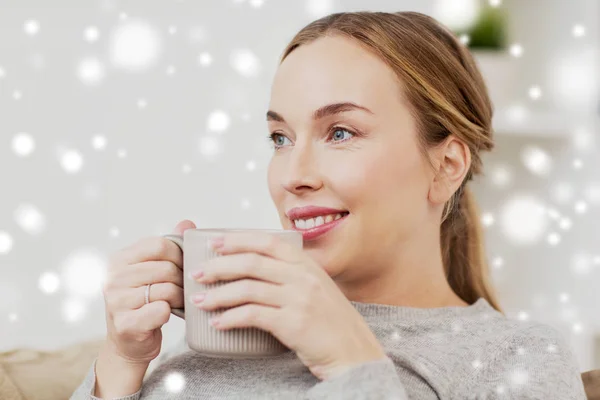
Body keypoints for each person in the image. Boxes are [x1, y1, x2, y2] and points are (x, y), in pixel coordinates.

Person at [71, 10, 587, 400]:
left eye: (340, 132)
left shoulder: (517, 360)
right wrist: (120, 362)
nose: (293, 176)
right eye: (279, 138)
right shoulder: (223, 336)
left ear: (447, 164)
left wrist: (349, 359)